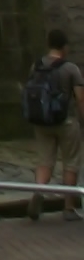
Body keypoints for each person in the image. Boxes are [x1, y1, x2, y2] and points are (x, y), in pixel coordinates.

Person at [26, 29, 84, 219]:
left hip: (42, 121)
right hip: (65, 121)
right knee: (71, 163)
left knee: (44, 162)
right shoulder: (70, 69)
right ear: (65, 47)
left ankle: (39, 191)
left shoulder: (36, 66)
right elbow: (80, 99)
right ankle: (68, 207)